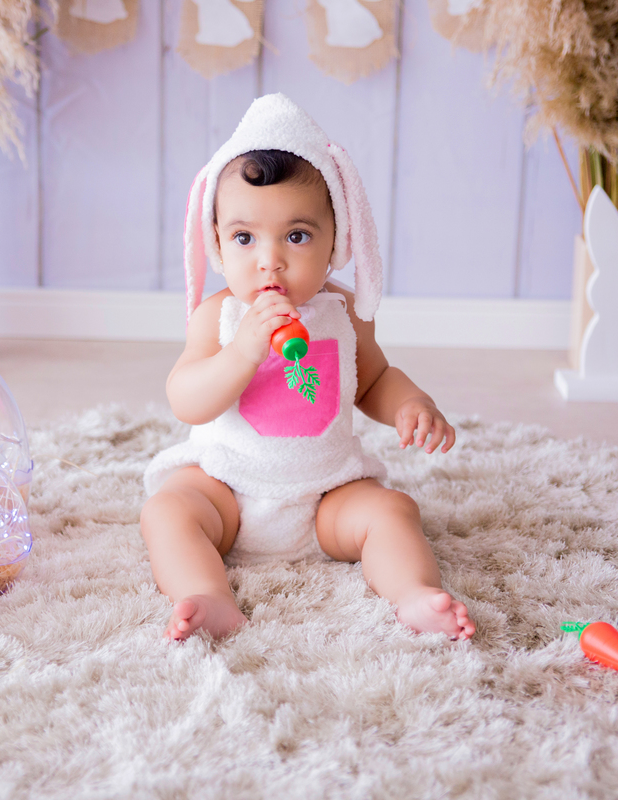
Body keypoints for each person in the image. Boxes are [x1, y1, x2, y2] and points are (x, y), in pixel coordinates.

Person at [141, 94, 475, 643]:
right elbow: (187, 399)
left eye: (296, 236)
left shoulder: (342, 315)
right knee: (167, 511)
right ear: (219, 244)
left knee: (392, 511)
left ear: (336, 241)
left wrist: (413, 404)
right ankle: (206, 594)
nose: (268, 259)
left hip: (326, 493)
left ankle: (413, 594)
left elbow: (373, 380)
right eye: (244, 238)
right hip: (227, 487)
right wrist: (243, 351)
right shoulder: (219, 316)